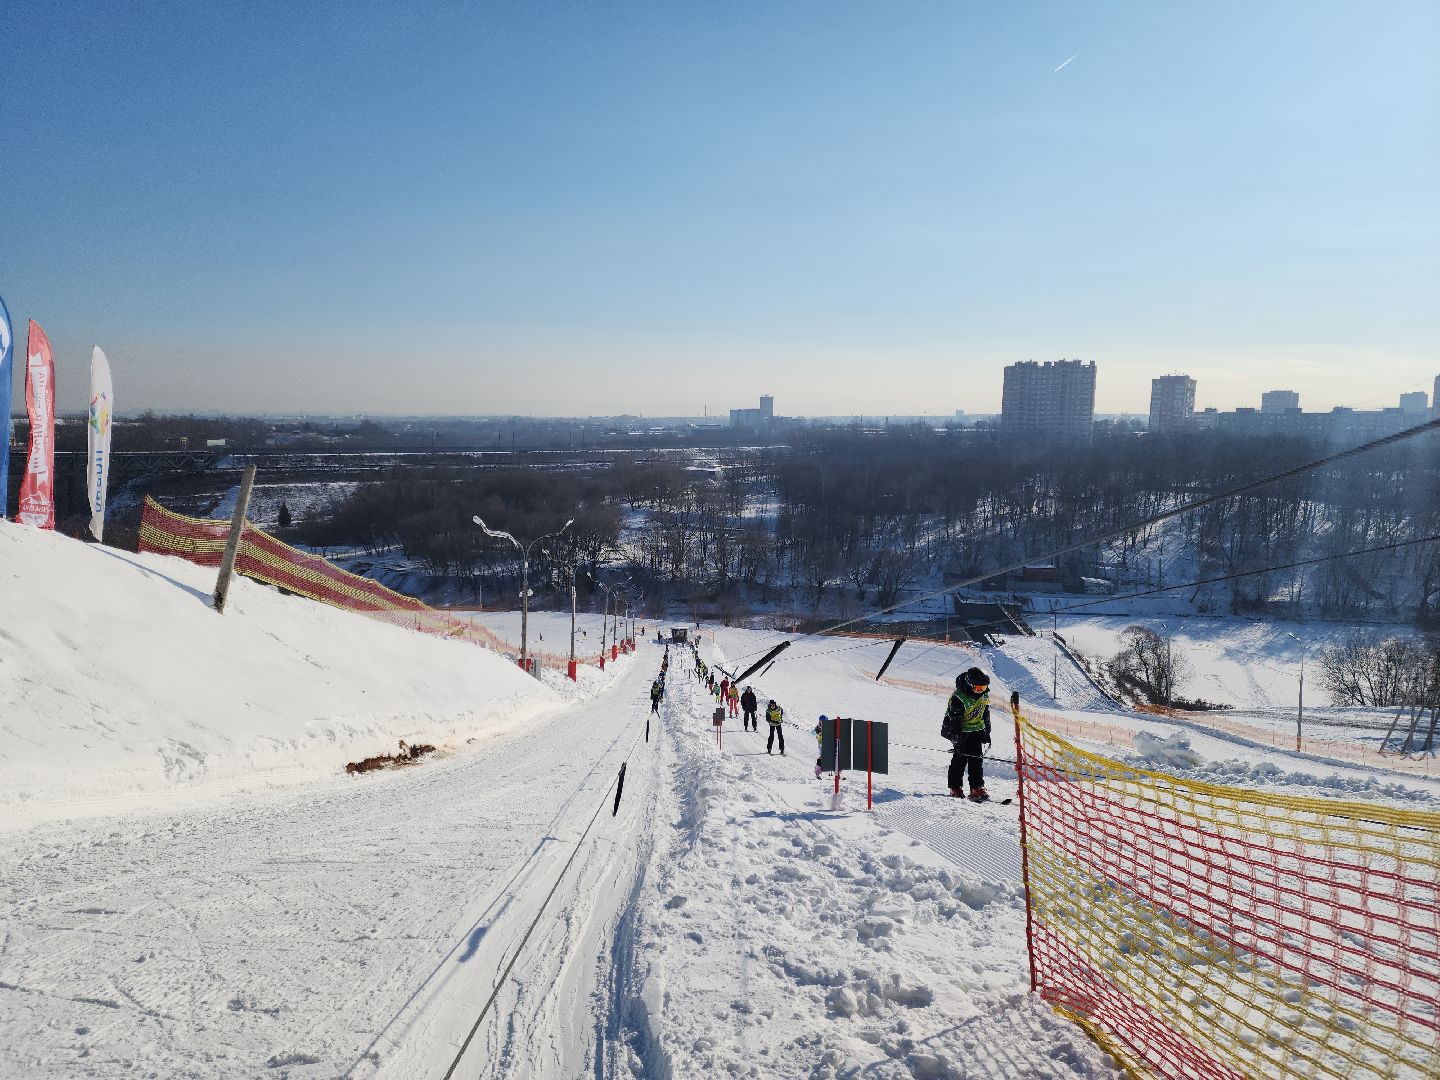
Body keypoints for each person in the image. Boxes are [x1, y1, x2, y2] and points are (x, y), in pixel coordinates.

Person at [942, 667, 992, 801]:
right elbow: (954, 721)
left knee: (976, 759)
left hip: (976, 729)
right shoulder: (959, 697)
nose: (981, 691)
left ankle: (976, 787)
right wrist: (957, 740)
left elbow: (985, 714)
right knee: (960, 759)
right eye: (978, 688)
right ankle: (955, 787)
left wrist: (987, 732)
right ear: (970, 685)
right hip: (960, 731)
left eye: (984, 687)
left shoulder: (984, 695)